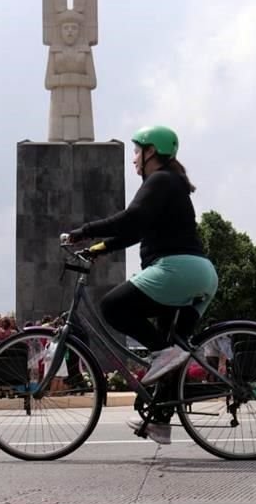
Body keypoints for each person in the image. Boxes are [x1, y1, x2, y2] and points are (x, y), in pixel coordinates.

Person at [65, 125, 219, 445]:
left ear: (152, 152)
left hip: (176, 270)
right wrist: (99, 249)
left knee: (113, 306)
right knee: (172, 354)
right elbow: (134, 232)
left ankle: (162, 353)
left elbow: (131, 218)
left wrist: (85, 230)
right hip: (199, 275)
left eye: (137, 151)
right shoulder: (169, 184)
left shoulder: (160, 180)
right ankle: (160, 423)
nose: (133, 159)